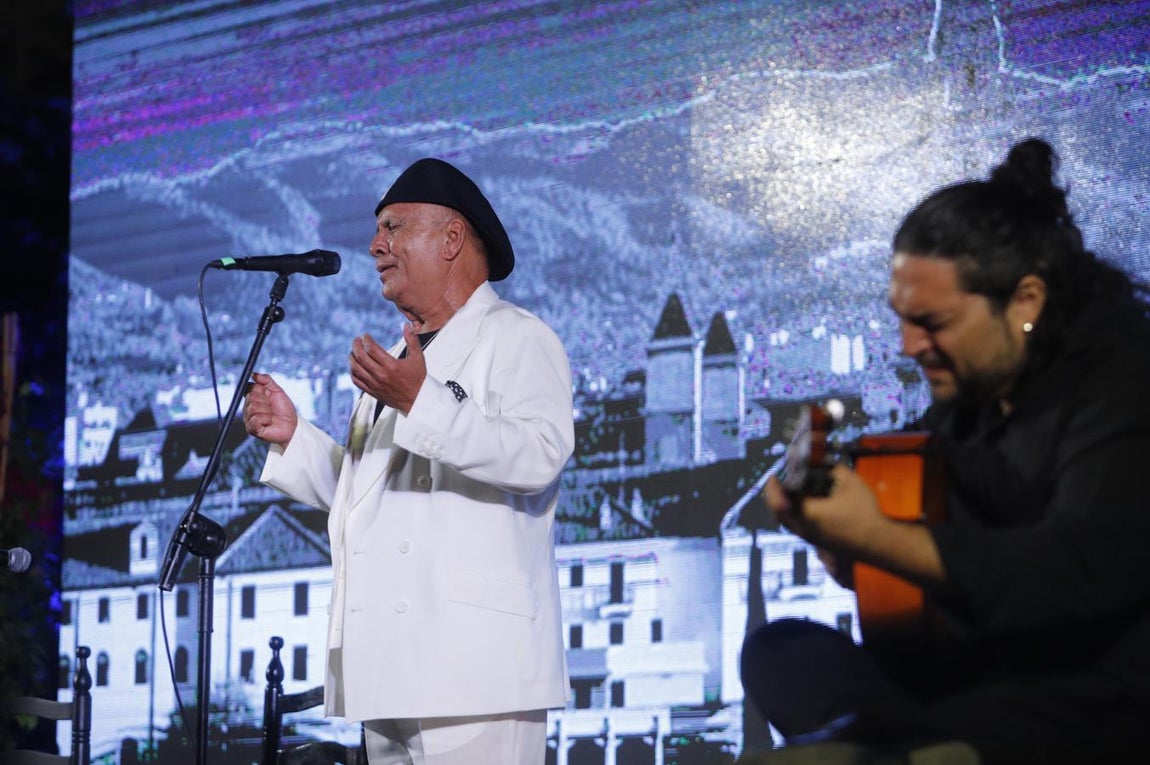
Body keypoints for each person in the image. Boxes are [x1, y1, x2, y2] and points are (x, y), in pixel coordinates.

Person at [739, 137, 1150, 765]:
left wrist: (879, 538)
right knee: (778, 652)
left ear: (1025, 303)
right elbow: (930, 566)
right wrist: (842, 547)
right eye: (902, 319)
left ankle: (897, 739)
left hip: (1093, 687)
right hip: (976, 664)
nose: (909, 346)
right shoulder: (965, 405)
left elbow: (1071, 581)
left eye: (933, 323)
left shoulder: (1121, 389)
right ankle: (906, 737)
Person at [242, 157, 575, 764]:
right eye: (378, 231)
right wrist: (296, 439)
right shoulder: (402, 354)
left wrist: (418, 401)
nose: (375, 247)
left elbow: (538, 457)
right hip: (390, 664)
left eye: (393, 228)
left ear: (452, 238)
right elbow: (371, 495)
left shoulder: (518, 337)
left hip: (476, 672)